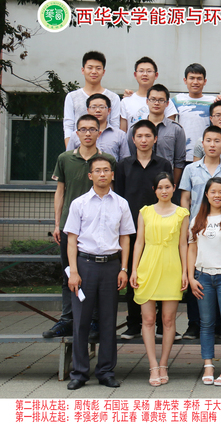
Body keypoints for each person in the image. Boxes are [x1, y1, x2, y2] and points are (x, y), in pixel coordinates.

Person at [64, 156, 136, 390]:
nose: (102, 174)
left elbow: (125, 238)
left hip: (111, 266)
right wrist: (73, 272)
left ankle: (106, 371)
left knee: (108, 320)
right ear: (90, 175)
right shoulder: (79, 204)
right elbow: (72, 240)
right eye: (97, 170)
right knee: (81, 322)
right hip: (85, 265)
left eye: (106, 170)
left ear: (112, 174)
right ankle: (79, 373)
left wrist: (124, 269)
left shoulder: (121, 204)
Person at [44, 115, 117, 339]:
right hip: (70, 226)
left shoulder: (106, 160)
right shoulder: (65, 158)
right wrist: (57, 223)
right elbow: (60, 192)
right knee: (69, 273)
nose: (87, 133)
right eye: (83, 129)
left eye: (92, 129)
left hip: (97, 228)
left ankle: (94, 321)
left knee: (94, 277)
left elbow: (112, 194)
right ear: (76, 133)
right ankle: (67, 319)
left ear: (99, 133)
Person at [115, 120, 174, 340]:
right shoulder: (123, 165)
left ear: (155, 139)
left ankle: (160, 324)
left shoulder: (164, 164)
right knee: (135, 275)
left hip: (159, 228)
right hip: (131, 229)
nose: (143, 140)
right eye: (139, 136)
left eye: (148, 136)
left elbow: (168, 194)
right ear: (133, 139)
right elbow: (119, 198)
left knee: (161, 274)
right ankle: (133, 324)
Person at [129, 172, 189, 386]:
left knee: (168, 320)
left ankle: (164, 363)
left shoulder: (182, 213)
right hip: (148, 266)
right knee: (148, 319)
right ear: (154, 190)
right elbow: (139, 242)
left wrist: (185, 272)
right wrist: (133, 269)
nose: (164, 191)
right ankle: (153, 365)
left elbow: (183, 244)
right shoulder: (145, 212)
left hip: (172, 266)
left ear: (174, 188)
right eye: (160, 187)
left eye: (167, 187)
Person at [188, 177, 221, 386]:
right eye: (213, 192)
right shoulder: (198, 218)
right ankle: (208, 365)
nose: (217, 195)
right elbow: (192, 249)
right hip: (203, 277)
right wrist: (191, 277)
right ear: (206, 194)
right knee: (206, 324)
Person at [127, 84, 187, 190]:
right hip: (140, 182)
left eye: (161, 100)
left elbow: (179, 161)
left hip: (165, 185)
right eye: (153, 99)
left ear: (167, 103)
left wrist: (172, 184)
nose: (156, 103)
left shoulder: (176, 129)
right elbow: (132, 154)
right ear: (147, 101)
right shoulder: (135, 129)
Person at [63, 51, 120, 146]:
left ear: (103, 72)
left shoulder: (113, 98)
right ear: (83, 70)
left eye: (98, 68)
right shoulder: (72, 97)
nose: (94, 72)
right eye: (90, 68)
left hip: (106, 149)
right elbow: (68, 126)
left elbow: (115, 126)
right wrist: (70, 150)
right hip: (79, 149)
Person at [120, 56, 178, 132]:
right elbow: (123, 132)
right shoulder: (126, 101)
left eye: (149, 71)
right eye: (141, 71)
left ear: (156, 75)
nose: (145, 74)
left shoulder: (165, 101)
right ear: (135, 75)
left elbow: (171, 130)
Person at [172, 63, 216, 162]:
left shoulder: (213, 101)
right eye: (191, 78)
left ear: (205, 81)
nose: (195, 82)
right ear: (185, 80)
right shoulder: (177, 100)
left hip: (205, 155)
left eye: (199, 79)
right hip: (182, 155)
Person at [66, 94, 130, 161]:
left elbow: (125, 161)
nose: (97, 110)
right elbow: (69, 158)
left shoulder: (120, 135)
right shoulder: (76, 134)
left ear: (109, 111)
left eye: (102, 107)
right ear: (88, 110)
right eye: (93, 107)